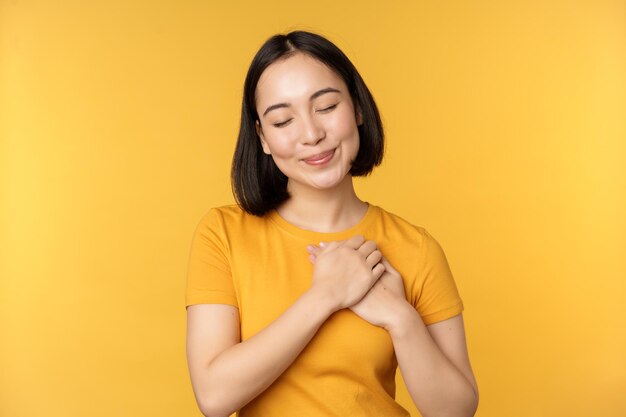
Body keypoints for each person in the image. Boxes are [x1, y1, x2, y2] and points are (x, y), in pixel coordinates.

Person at [185, 30, 479, 417]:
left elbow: (455, 411)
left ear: (357, 109)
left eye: (326, 107)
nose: (311, 134)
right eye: (283, 119)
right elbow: (214, 396)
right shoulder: (223, 233)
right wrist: (326, 295)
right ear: (263, 138)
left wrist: (399, 317)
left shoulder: (415, 247)